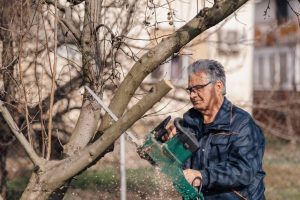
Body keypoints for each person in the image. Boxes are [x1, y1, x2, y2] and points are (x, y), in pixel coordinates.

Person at [169, 59, 265, 199]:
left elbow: (244, 171)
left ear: (218, 86)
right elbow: (179, 168)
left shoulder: (242, 124)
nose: (192, 95)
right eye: (190, 90)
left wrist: (201, 176)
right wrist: (168, 145)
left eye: (198, 88)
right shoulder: (189, 123)